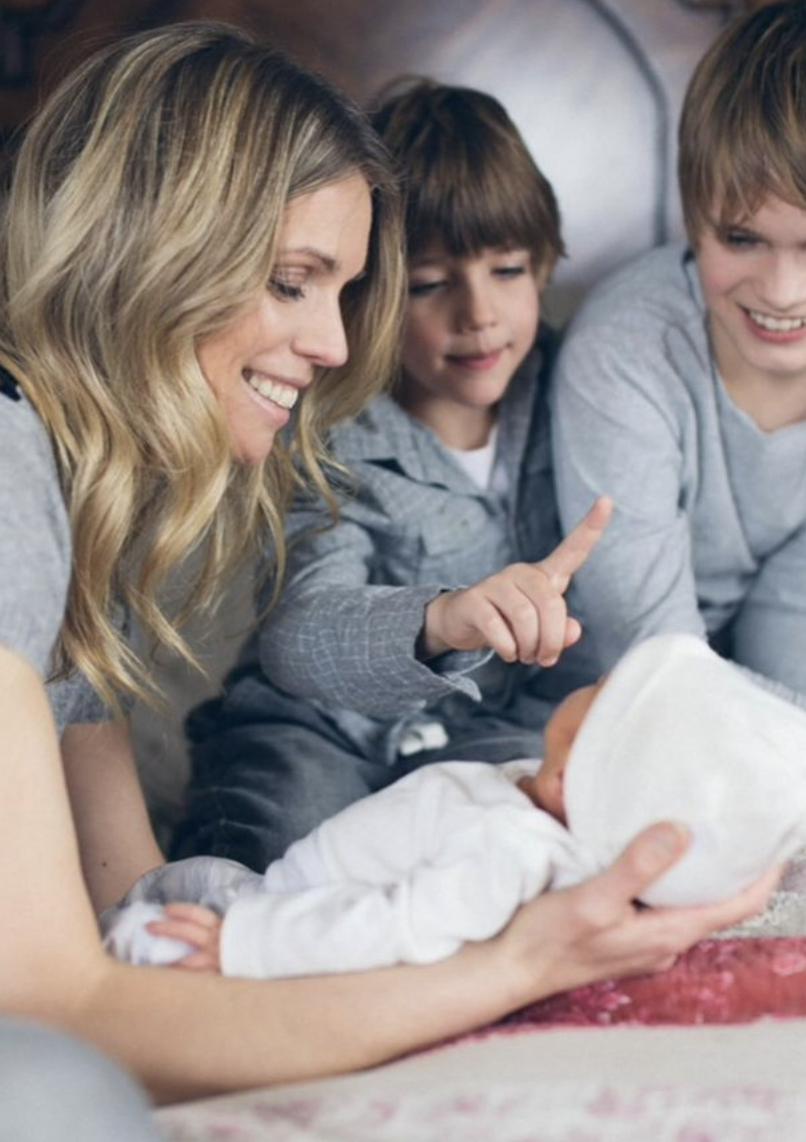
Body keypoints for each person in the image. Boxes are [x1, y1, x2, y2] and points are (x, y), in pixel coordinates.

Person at [0, 20, 777, 1117]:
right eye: (290, 281)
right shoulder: (10, 478)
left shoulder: (78, 520)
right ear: (146, 250)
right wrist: (521, 963)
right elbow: (62, 1010)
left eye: (344, 291)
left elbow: (124, 912)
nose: (327, 346)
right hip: (315, 728)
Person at [173, 76, 613, 872]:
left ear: (544, 265)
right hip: (316, 724)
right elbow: (300, 630)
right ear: (368, 296)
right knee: (275, 853)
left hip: (492, 725)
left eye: (507, 271)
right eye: (431, 285)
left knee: (540, 846)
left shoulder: (585, 391)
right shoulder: (319, 421)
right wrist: (443, 619)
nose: (477, 314)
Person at [104, 632, 804, 978]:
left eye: (605, 692)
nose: (596, 678)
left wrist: (243, 947)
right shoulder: (549, 798)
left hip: (298, 931)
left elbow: (395, 926)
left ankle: (105, 958)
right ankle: (117, 915)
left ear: (578, 779)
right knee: (171, 883)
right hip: (280, 890)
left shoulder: (515, 850)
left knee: (149, 941)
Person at [551, 1, 806, 695]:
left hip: (739, 698)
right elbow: (653, 660)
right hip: (583, 691)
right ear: (693, 215)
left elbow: (792, 645)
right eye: (742, 238)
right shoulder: (628, 349)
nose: (783, 291)